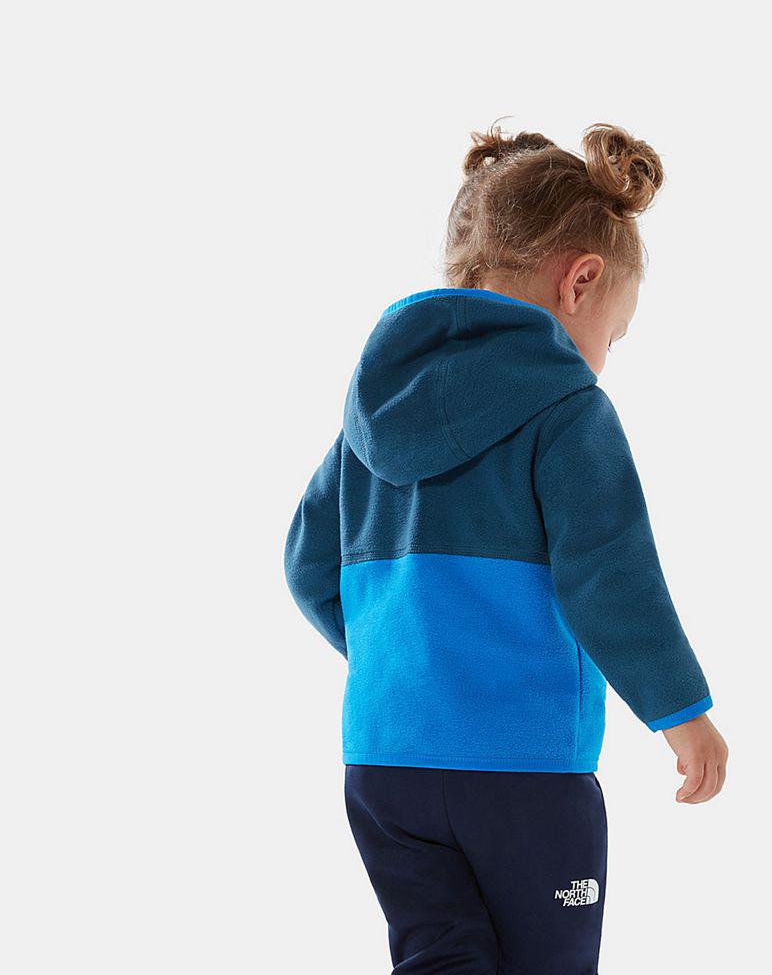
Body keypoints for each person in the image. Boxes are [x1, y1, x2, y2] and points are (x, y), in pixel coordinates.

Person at [285, 123, 729, 974]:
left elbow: (308, 564)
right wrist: (684, 714)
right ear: (580, 281)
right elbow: (610, 577)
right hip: (522, 771)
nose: (604, 357)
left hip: (384, 765)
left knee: (439, 958)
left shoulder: (371, 413)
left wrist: (407, 660)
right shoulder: (569, 410)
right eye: (615, 333)